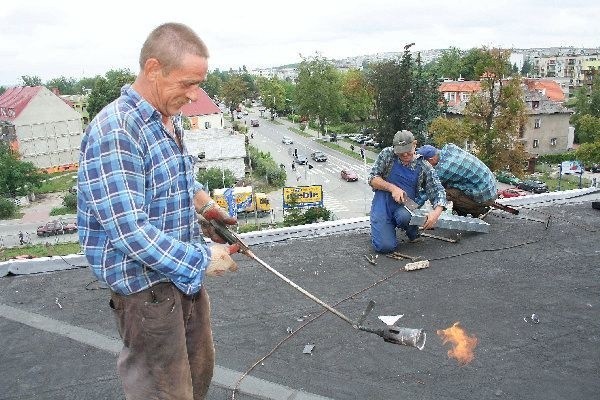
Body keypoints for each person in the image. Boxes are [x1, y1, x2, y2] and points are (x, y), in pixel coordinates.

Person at [77, 22, 240, 400]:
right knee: (164, 393)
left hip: (183, 282)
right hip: (146, 292)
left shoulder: (166, 117)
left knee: (196, 379)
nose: (195, 94)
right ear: (153, 69)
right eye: (187, 83)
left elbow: (174, 181)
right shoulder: (117, 131)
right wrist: (203, 256)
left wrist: (207, 209)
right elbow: (130, 232)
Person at [368, 130, 447, 253]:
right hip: (383, 204)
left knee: (405, 217)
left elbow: (438, 192)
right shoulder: (387, 155)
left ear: (414, 144)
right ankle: (382, 228)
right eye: (400, 152)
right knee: (385, 247)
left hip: (405, 207)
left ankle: (412, 231)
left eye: (408, 151)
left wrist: (435, 214)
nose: (405, 155)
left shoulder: (423, 166)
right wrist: (392, 188)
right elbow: (372, 179)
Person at [417, 144, 497, 217]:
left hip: (485, 195)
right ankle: (465, 208)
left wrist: (414, 206)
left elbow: (428, 190)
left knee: (443, 193)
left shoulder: (444, 169)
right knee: (449, 185)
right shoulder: (449, 148)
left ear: (431, 160)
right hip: (490, 185)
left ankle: (479, 210)